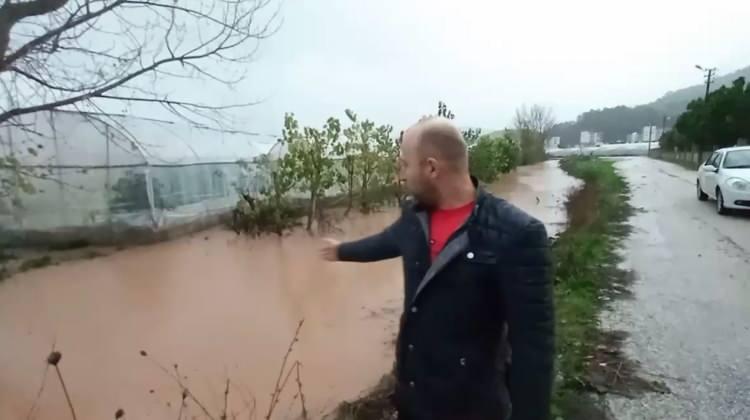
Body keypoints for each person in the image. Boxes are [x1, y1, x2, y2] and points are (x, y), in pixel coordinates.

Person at [320, 117, 554, 420]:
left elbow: (533, 349)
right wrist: (339, 251)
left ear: (431, 168)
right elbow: (383, 243)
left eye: (404, 165)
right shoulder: (414, 218)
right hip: (415, 400)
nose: (400, 175)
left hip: (473, 408)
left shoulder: (516, 233)